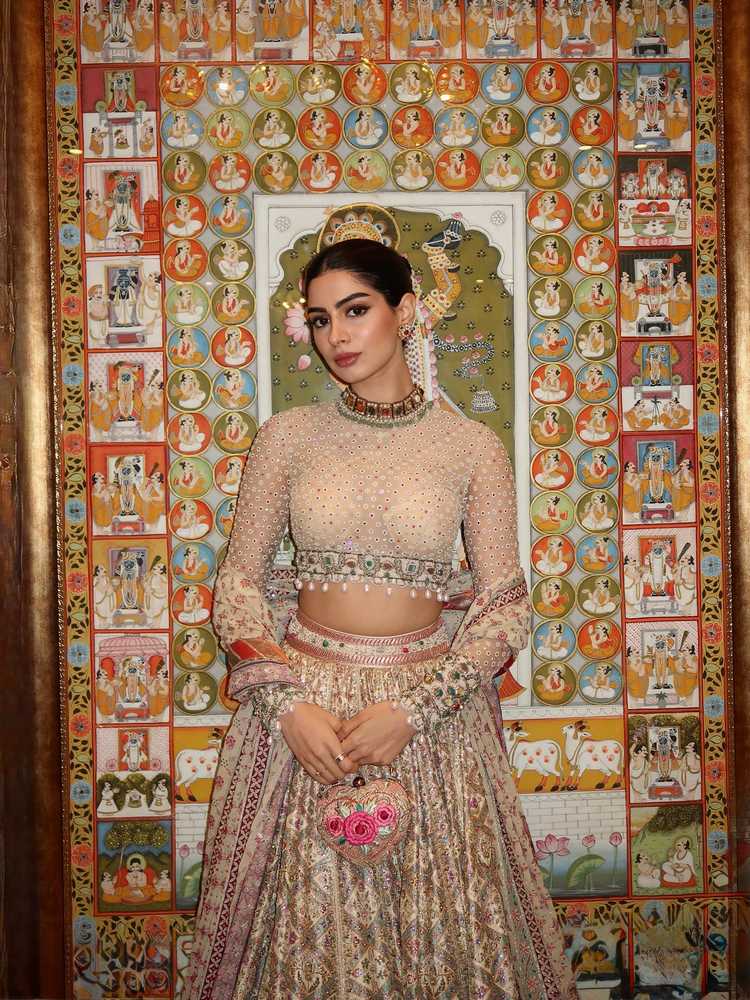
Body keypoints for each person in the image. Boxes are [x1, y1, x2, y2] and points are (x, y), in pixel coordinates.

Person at [185, 238, 574, 998]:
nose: (336, 336)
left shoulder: (471, 447)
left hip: (427, 724)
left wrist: (415, 710)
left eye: (355, 311)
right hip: (305, 722)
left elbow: (504, 604)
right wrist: (287, 706)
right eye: (320, 319)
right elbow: (239, 584)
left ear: (408, 310)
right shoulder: (287, 438)